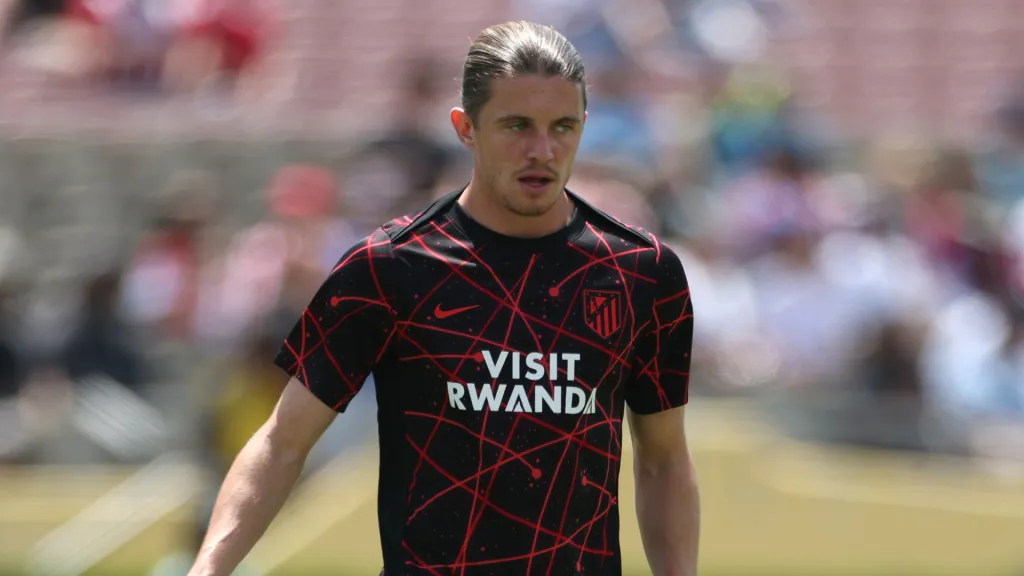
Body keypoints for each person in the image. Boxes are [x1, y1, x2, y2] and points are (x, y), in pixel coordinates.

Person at [187, 20, 699, 576]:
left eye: (563, 127)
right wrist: (209, 568)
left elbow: (664, 460)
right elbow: (282, 442)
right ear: (465, 128)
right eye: (517, 126)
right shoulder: (388, 266)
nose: (542, 150)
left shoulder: (642, 273)